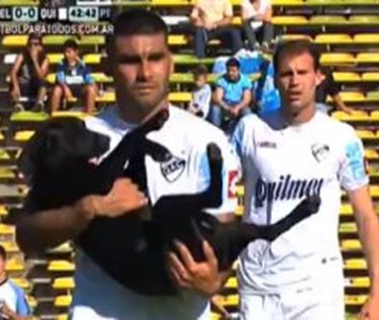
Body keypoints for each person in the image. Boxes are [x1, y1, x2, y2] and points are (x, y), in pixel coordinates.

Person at [15, 9, 241, 320]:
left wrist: (215, 279)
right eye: (130, 61)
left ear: (171, 62)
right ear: (108, 65)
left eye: (155, 58)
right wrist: (88, 208)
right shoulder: (80, 138)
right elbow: (27, 234)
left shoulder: (208, 140)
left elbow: (222, 237)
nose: (145, 73)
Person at [231, 40, 379, 319]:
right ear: (275, 80)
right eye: (286, 74)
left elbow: (365, 215)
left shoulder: (342, 137)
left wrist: (378, 292)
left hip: (317, 288)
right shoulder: (249, 130)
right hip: (259, 286)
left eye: (302, 73)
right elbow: (222, 202)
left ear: (318, 77)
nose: (294, 82)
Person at [50, 39, 97, 114]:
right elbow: (60, 79)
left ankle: (89, 115)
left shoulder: (82, 65)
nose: (66, 54)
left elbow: (88, 78)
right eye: (65, 52)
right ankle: (54, 115)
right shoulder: (61, 64)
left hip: (80, 87)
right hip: (67, 87)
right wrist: (65, 88)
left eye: (69, 52)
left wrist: (94, 86)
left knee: (91, 90)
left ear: (76, 52)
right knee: (57, 90)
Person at [210, 58, 253, 131]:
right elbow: (218, 99)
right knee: (215, 109)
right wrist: (228, 108)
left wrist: (237, 107)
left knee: (247, 112)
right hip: (225, 105)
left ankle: (246, 132)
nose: (230, 73)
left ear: (238, 70)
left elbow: (246, 100)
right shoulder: (222, 80)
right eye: (228, 70)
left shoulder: (245, 80)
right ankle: (216, 131)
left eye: (233, 71)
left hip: (239, 105)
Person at [9, 33, 49, 111]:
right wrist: (16, 86)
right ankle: (18, 105)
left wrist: (34, 59)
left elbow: (41, 76)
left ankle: (39, 103)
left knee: (43, 82)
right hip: (24, 85)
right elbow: (13, 72)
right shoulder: (22, 56)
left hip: (36, 86)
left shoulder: (45, 59)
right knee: (11, 82)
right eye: (30, 44)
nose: (33, 47)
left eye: (36, 44)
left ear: (40, 47)